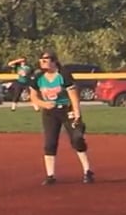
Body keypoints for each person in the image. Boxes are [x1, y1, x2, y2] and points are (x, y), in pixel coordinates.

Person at [29, 50, 95, 185]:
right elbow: (33, 96)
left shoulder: (63, 75)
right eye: (41, 59)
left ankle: (87, 171)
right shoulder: (38, 77)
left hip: (66, 110)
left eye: (46, 59)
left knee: (77, 139)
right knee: (50, 143)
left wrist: (77, 114)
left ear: (54, 61)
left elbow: (73, 96)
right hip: (50, 112)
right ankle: (50, 175)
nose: (42, 61)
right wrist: (43, 104)